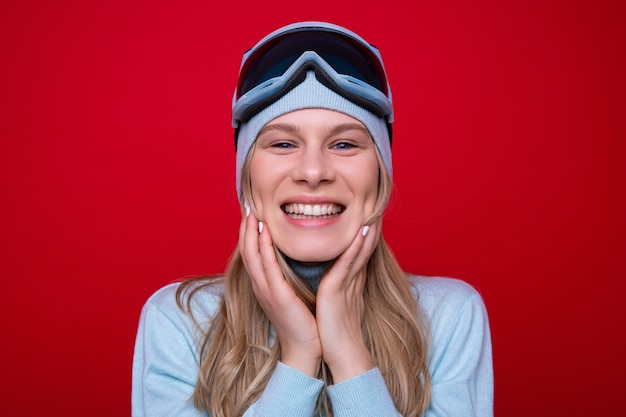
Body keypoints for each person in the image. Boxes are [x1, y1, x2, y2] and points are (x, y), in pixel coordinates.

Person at [132, 21, 493, 417]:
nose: (314, 171)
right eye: (283, 143)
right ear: (246, 175)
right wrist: (299, 355)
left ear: (381, 173)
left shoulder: (450, 317)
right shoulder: (179, 322)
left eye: (344, 143)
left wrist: (349, 352)